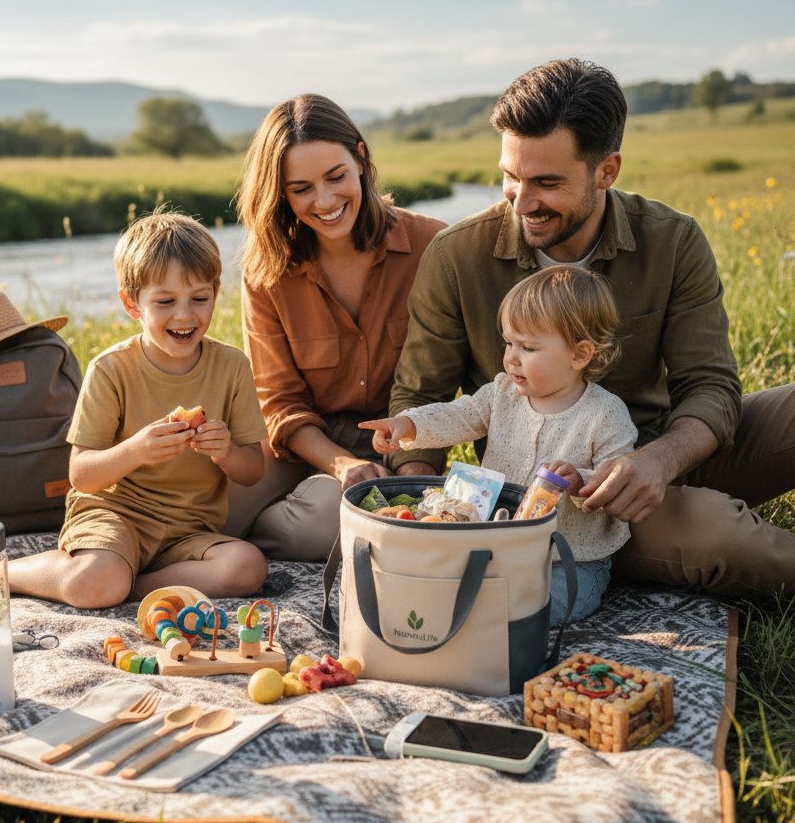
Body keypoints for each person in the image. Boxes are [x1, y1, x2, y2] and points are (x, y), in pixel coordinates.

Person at [390, 58, 795, 599]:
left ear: (607, 170)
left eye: (547, 182)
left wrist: (657, 460)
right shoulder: (456, 256)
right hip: (577, 508)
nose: (523, 201)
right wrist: (432, 517)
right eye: (511, 176)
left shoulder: (673, 241)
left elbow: (711, 387)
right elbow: (419, 395)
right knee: (724, 537)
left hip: (669, 447)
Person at [223, 93, 447, 560]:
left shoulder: (434, 247)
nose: (324, 201)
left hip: (399, 447)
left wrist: (409, 465)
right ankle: (224, 538)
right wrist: (341, 463)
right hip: (303, 446)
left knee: (322, 521)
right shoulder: (267, 271)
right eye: (300, 188)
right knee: (200, 501)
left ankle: (246, 545)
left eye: (336, 177)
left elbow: (447, 382)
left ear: (361, 159)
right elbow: (279, 402)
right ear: (280, 193)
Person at [8, 211, 268, 608]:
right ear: (132, 304)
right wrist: (136, 450)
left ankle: (130, 582)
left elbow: (253, 471)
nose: (185, 315)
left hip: (189, 531)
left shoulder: (231, 366)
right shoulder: (112, 369)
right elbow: (81, 475)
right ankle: (0, 572)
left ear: (216, 293)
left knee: (247, 567)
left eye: (200, 298)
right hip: (114, 516)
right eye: (165, 301)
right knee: (91, 582)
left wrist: (227, 452)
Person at [362, 265, 636, 624]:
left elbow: (618, 477)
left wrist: (581, 480)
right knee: (456, 582)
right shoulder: (502, 395)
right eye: (509, 342)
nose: (512, 357)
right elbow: (458, 415)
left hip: (570, 556)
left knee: (547, 603)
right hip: (496, 545)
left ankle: (501, 618)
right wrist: (409, 424)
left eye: (529, 347)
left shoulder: (605, 414)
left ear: (580, 354)